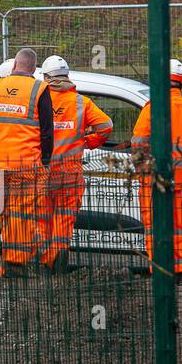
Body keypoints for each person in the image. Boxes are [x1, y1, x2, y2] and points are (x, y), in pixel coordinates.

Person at [131, 59, 182, 284]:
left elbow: (138, 141)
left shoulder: (153, 108)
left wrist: (143, 166)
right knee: (180, 223)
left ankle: (160, 271)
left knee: (155, 223)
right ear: (181, 82)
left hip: (154, 176)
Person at [0, 48, 54, 275]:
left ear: (14, 66)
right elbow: (47, 132)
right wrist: (45, 161)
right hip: (26, 166)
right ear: (34, 69)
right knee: (20, 215)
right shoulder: (39, 89)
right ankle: (13, 264)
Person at [36, 55, 113, 272]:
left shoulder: (38, 100)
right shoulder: (81, 102)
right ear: (67, 76)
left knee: (42, 219)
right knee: (63, 219)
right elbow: (106, 126)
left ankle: (43, 264)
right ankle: (57, 265)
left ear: (46, 77)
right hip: (70, 172)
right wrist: (88, 142)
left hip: (43, 170)